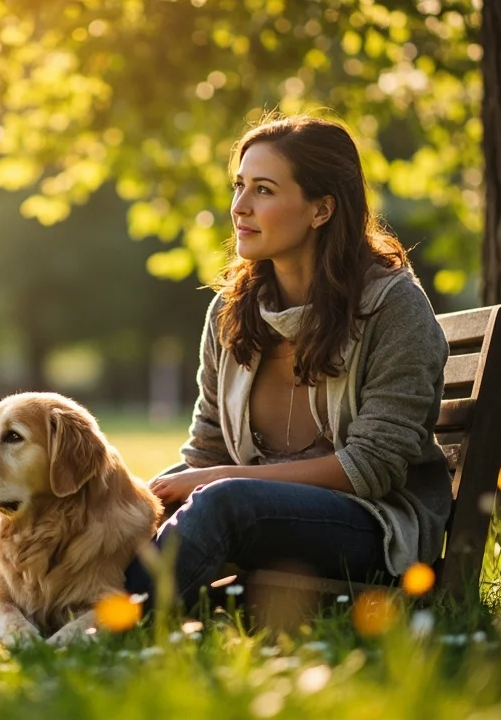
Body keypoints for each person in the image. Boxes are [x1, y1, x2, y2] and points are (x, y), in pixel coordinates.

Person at [125, 114, 453, 608]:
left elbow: (371, 467)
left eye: (263, 190)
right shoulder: (230, 312)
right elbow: (207, 448)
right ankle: (43, 612)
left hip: (373, 529)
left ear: (321, 210)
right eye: (239, 186)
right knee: (116, 510)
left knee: (225, 502)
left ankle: (107, 626)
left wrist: (216, 480)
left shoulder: (393, 307)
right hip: (252, 517)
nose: (239, 207)